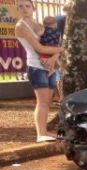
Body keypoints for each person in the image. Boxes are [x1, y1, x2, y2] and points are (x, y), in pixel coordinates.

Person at [14, 0, 63, 143]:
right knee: (42, 102)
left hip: (50, 66)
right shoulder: (20, 26)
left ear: (33, 8)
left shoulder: (38, 25)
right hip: (36, 67)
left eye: (27, 6)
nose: (24, 9)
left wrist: (54, 58)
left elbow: (54, 41)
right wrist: (62, 50)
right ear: (18, 9)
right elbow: (40, 48)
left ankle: (45, 131)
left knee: (47, 102)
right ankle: (40, 133)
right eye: (21, 6)